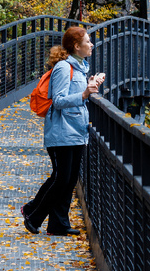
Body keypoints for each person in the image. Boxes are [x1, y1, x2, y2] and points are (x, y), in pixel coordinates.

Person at [22, 26, 104, 236]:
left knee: (69, 180)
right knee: (61, 179)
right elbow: (57, 101)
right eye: (88, 41)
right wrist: (85, 93)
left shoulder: (81, 68)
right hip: (61, 132)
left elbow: (75, 94)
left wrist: (91, 84)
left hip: (77, 131)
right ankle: (33, 214)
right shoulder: (62, 68)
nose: (91, 44)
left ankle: (58, 224)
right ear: (77, 46)